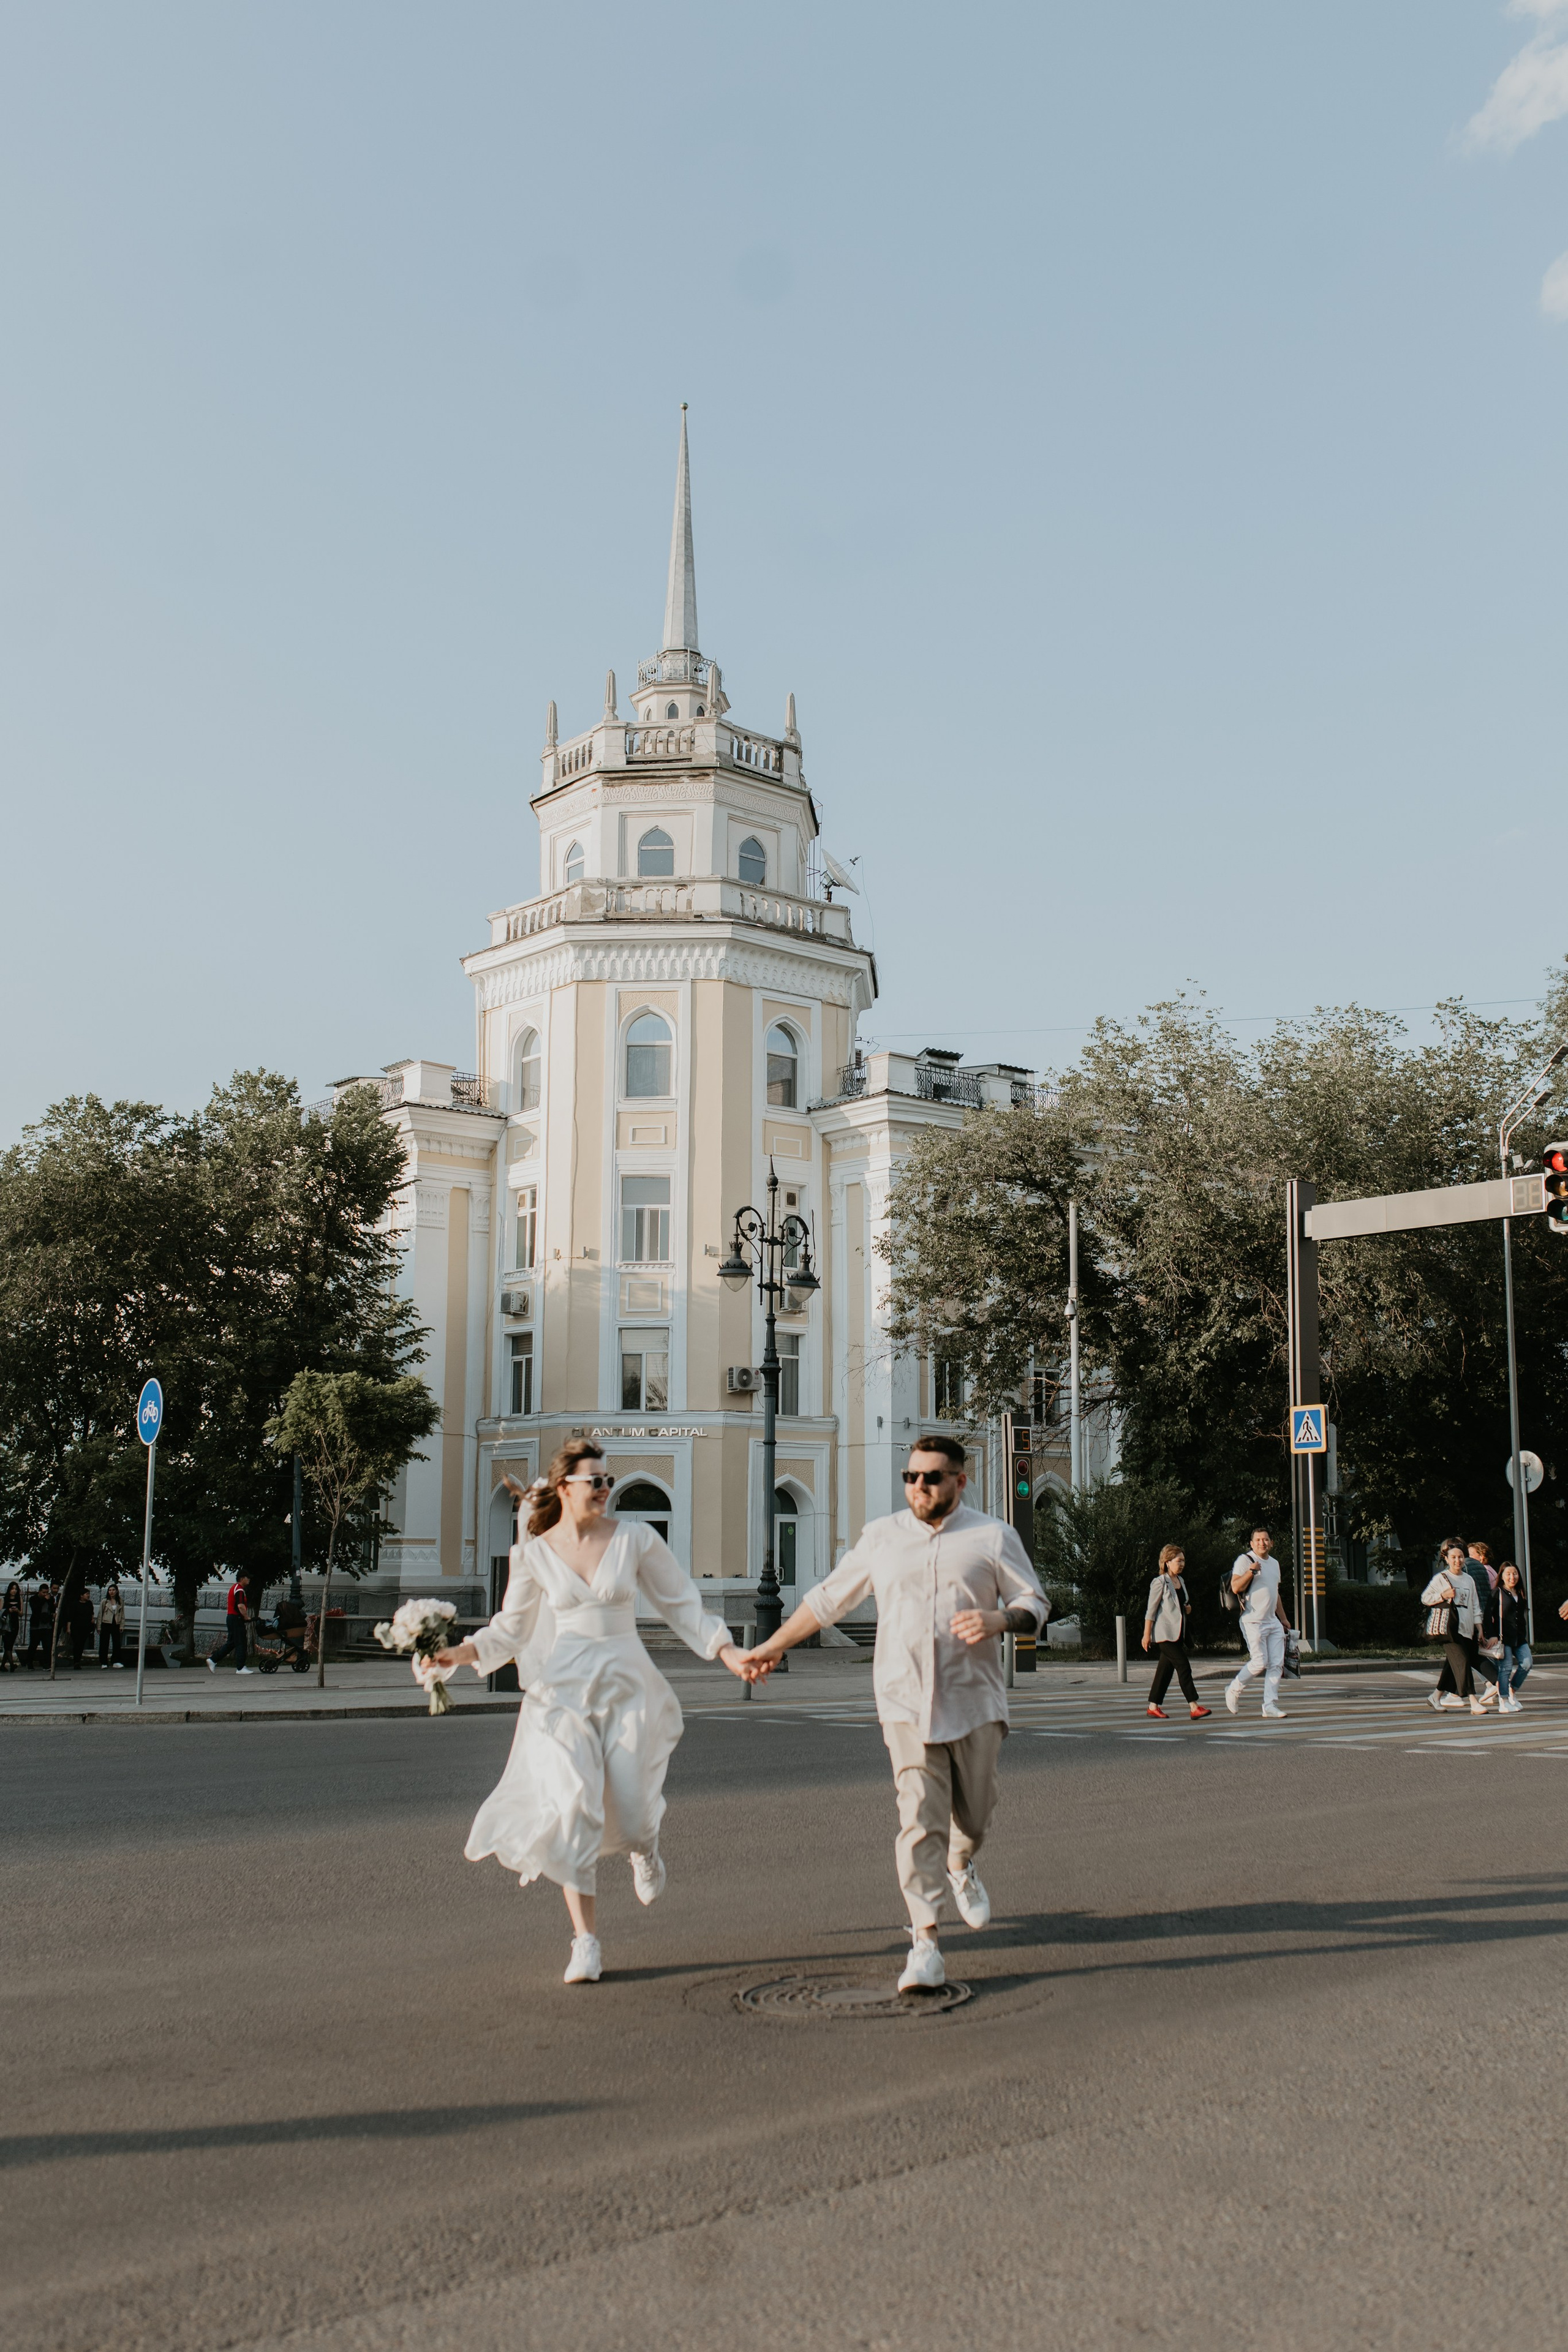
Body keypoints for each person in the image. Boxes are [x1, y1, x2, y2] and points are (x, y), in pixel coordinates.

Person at [423, 1439, 751, 1986]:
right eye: (594, 1480)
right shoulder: (531, 1554)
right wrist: (458, 1652)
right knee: (574, 1808)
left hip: (627, 1686)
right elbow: (512, 1628)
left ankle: (645, 1847)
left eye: (607, 1480)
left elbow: (681, 1604)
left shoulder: (636, 1539)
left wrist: (728, 1651)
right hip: (562, 1693)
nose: (605, 1489)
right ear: (563, 1488)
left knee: (629, 1805)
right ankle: (586, 1942)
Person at [741, 1434, 1046, 1994]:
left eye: (931, 1477)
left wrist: (1000, 1622)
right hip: (904, 1701)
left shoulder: (992, 1536)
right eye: (911, 1477)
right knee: (918, 1818)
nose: (919, 1487)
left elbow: (1034, 1603)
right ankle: (925, 1944)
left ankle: (962, 1863)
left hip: (974, 1699)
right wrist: (772, 1646)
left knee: (974, 1818)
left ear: (959, 1479)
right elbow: (826, 1600)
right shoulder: (881, 1538)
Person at [1225, 1528, 1292, 1719]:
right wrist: (1251, 1572)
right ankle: (1234, 1689)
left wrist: (1284, 1618)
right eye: (1258, 1540)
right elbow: (1236, 1586)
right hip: (1252, 1620)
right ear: (1252, 1544)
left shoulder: (1275, 1564)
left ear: (1271, 1543)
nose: (1262, 1543)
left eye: (1266, 1539)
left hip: (1273, 1621)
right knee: (1259, 1662)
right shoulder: (1244, 1560)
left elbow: (1275, 1593)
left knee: (1277, 1664)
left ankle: (1269, 1705)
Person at [1422, 1542, 1492, 1716]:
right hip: (1450, 1630)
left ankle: (1435, 1696)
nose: (1457, 1560)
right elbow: (1425, 1598)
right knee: (1463, 1663)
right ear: (1446, 1559)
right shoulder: (1441, 1578)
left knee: (1452, 1666)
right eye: (1453, 1557)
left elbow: (1475, 1605)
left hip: (1467, 1630)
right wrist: (1443, 1595)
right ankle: (1474, 1702)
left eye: (1460, 1557)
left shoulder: (1469, 1579)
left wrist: (1480, 1628)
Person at [1142, 1545, 1211, 1720]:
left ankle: (1153, 1706)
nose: (1182, 1564)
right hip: (1164, 1634)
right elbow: (1151, 1610)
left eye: (1183, 1561)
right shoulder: (1159, 1582)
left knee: (1164, 1671)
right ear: (1167, 1562)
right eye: (1178, 1561)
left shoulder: (1180, 1581)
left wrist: (1187, 1609)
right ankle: (1194, 1706)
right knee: (1183, 1666)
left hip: (1178, 1633)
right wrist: (1147, 1635)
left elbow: (1181, 1604)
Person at [1497, 1562, 1531, 1713]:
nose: (1512, 1577)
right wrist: (1491, 1635)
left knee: (1527, 1663)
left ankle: (1512, 1691)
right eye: (1509, 1574)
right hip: (1504, 1637)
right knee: (1506, 1669)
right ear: (1502, 1576)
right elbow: (1488, 1616)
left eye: (1515, 1574)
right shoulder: (1498, 1593)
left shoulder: (1521, 1593)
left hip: (1519, 1638)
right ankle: (1503, 1701)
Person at [207, 1572, 255, 1674]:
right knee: (241, 1643)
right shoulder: (240, 1590)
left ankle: (213, 1660)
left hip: (232, 1618)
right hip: (236, 1618)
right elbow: (241, 1606)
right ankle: (241, 1668)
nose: (249, 1580)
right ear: (242, 1578)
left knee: (232, 1643)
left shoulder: (234, 1588)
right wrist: (246, 1617)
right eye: (248, 1577)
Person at [26, 1581, 57, 1670]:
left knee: (47, 1646)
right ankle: (30, 1663)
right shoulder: (34, 1599)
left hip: (47, 1625)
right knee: (33, 1645)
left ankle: (46, 1664)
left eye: (47, 1592)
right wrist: (44, 1599)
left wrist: (52, 1614)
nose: (45, 1594)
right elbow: (35, 1609)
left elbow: (52, 1609)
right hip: (36, 1626)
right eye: (43, 1593)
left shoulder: (50, 1599)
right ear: (39, 1592)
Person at [97, 1581, 126, 1670]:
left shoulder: (120, 1601)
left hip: (116, 1623)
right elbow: (100, 1614)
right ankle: (104, 1662)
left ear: (117, 1591)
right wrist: (99, 1627)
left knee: (117, 1643)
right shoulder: (105, 1601)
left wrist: (122, 1625)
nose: (111, 1592)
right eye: (110, 1590)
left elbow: (122, 1614)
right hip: (106, 1623)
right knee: (104, 1643)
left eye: (113, 1590)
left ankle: (116, 1661)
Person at [69, 1581, 95, 1669]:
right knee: (77, 1644)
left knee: (82, 1644)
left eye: (88, 1594)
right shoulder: (75, 1604)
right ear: (81, 1595)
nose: (88, 1595)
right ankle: (76, 1661)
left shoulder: (89, 1603)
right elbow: (71, 1617)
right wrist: (69, 1628)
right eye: (87, 1594)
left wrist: (92, 1620)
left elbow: (92, 1613)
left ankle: (78, 1660)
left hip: (86, 1627)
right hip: (76, 1627)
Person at [1, 1581, 21, 1672]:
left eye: (16, 1589)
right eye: (12, 1589)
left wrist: (17, 1610)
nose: (14, 1591)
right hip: (6, 1625)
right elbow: (1, 1612)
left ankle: (2, 1666)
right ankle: (12, 1664)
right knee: (7, 1645)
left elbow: (22, 1614)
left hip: (15, 1624)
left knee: (9, 1645)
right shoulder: (4, 1599)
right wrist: (8, 1610)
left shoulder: (19, 1599)